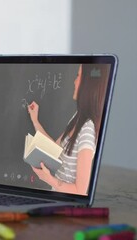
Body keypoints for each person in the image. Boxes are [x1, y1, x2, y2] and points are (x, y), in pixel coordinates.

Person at [27, 64, 109, 195]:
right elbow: (55, 148)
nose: (74, 81)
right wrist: (35, 120)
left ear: (87, 84)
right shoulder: (78, 116)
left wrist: (49, 179)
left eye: (78, 76)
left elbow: (80, 191)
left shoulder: (87, 131)